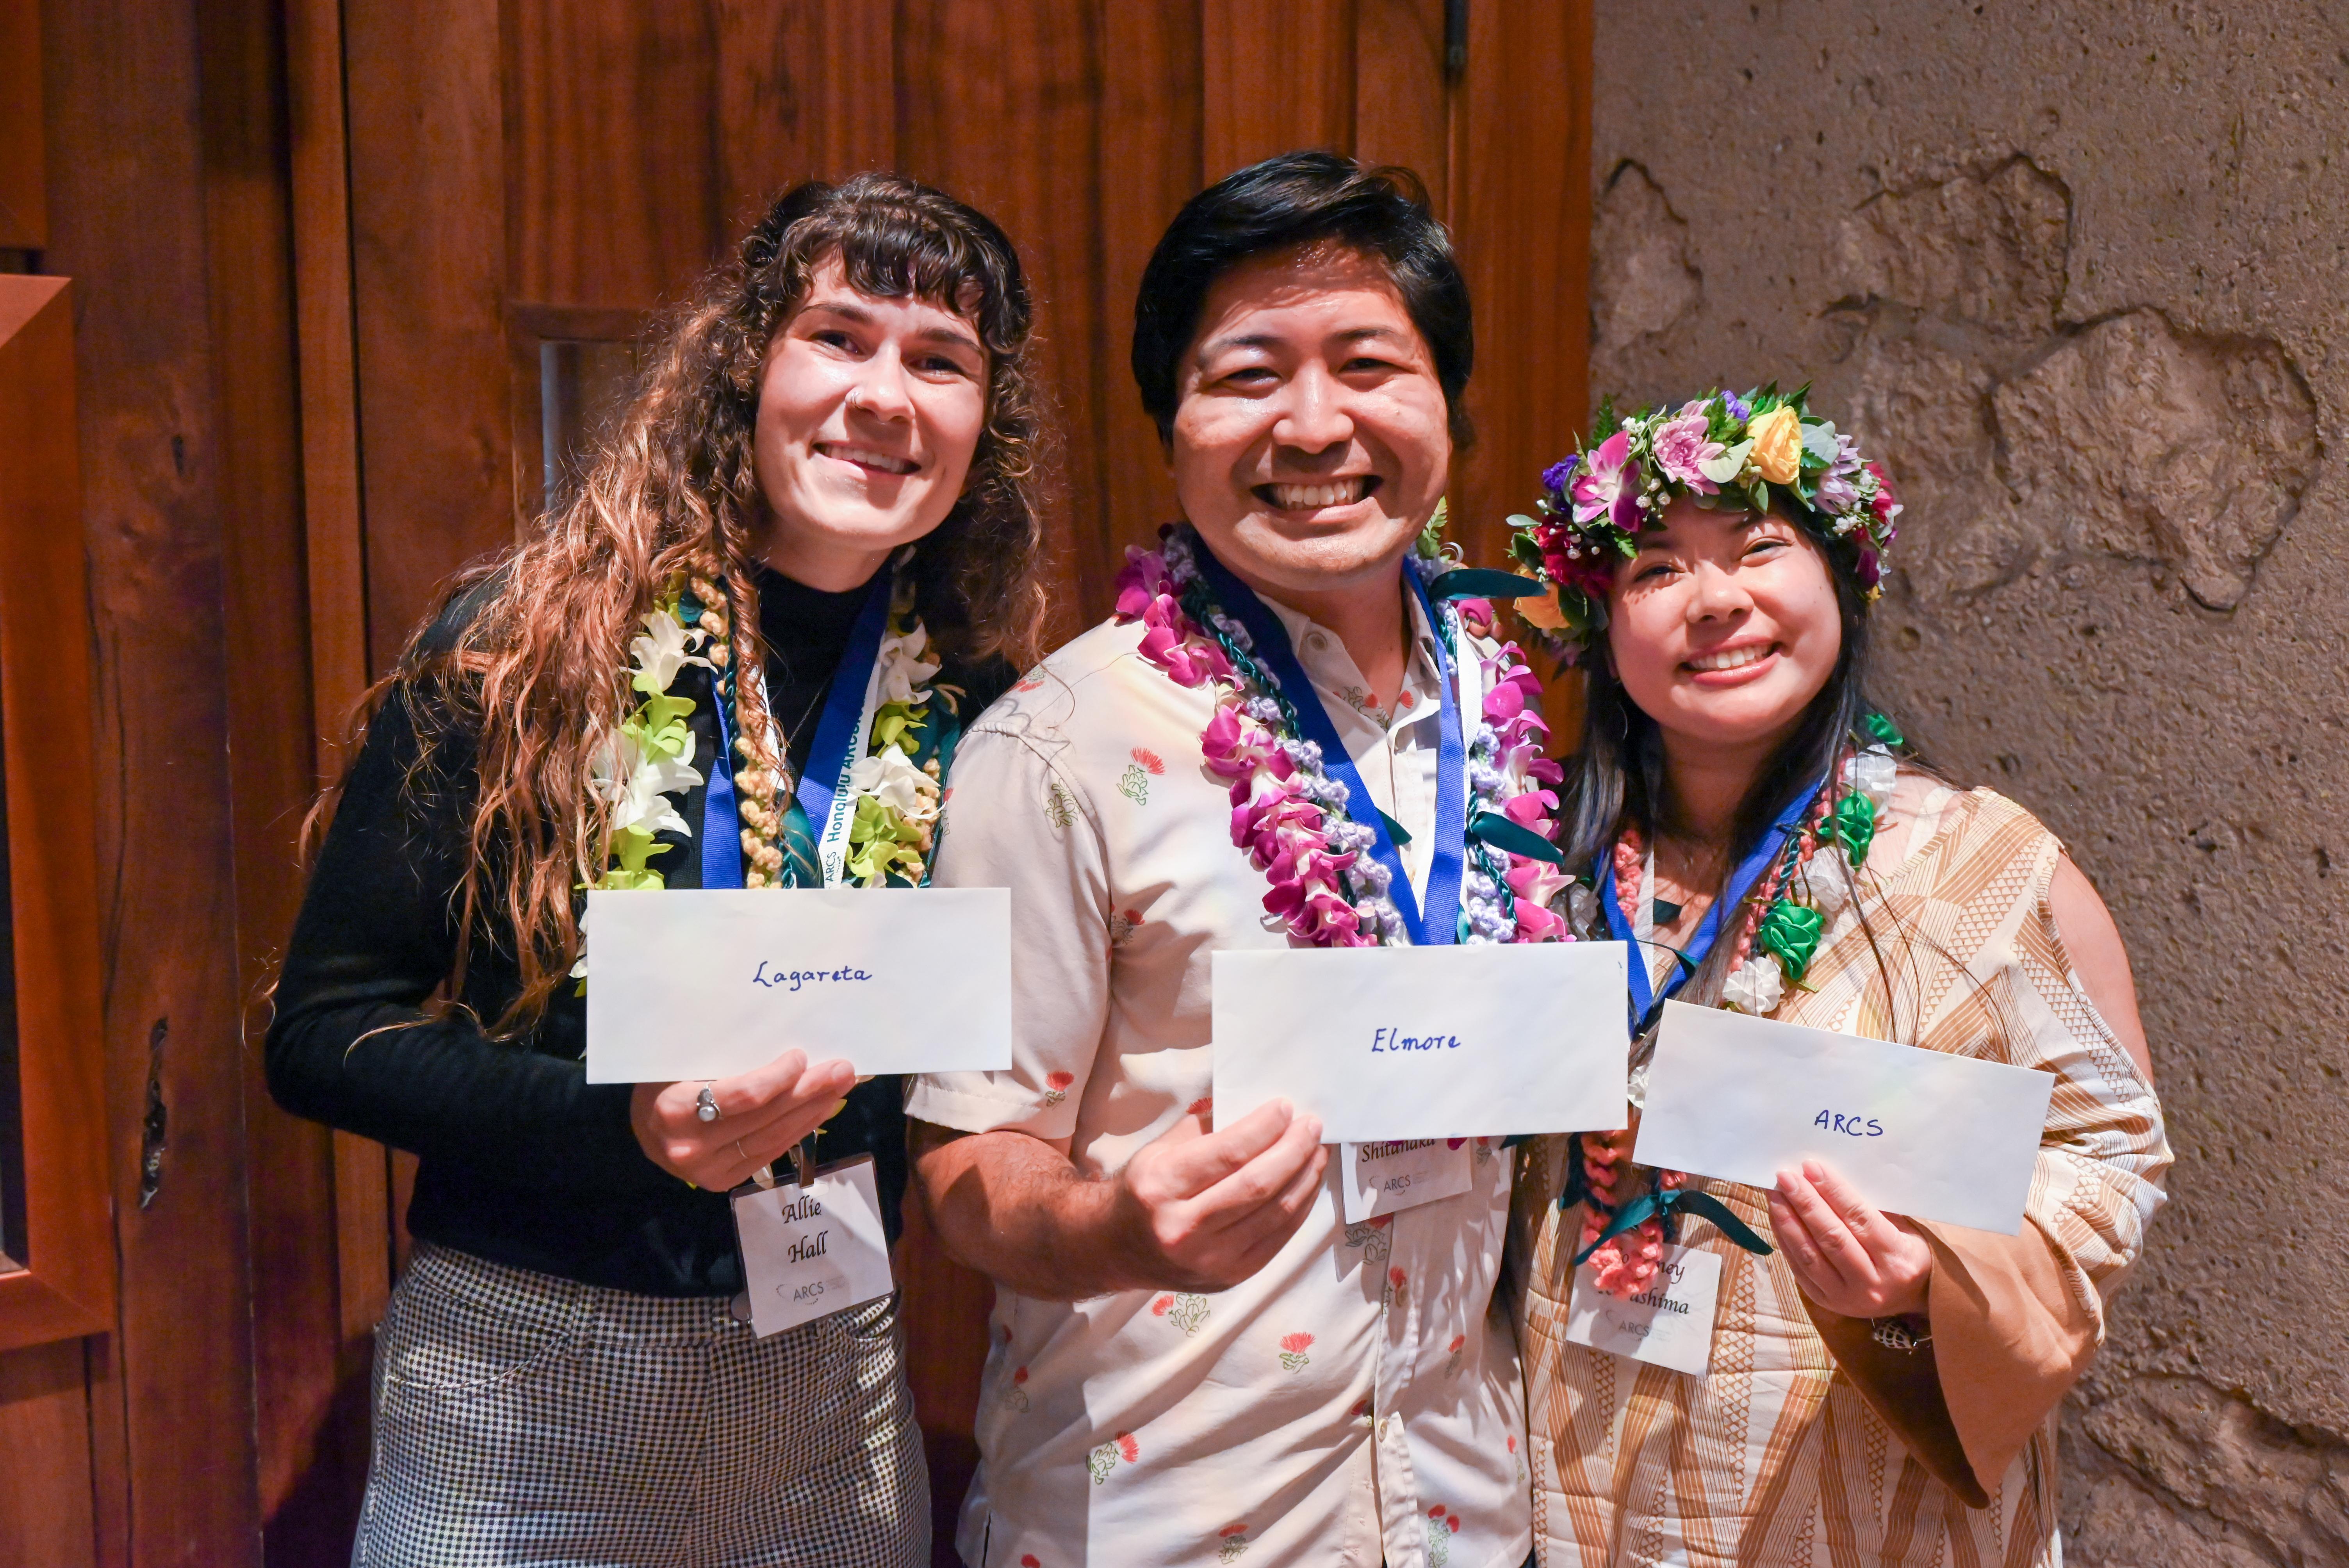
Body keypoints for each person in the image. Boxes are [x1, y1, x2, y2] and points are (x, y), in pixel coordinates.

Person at [265, 174, 1047, 1566]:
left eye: (942, 361)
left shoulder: (979, 699)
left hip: (832, 1394)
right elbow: (322, 1034)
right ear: (749, 365)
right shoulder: (522, 648)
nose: (885, 396)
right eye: (839, 338)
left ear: (985, 423)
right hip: (524, 1390)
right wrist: (616, 1130)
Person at [908, 150, 1566, 1568]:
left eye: (1369, 365)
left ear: (1448, 401)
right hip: (1170, 1524)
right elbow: (965, 1160)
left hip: (1468, 1512)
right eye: (1249, 375)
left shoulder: (1502, 704)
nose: (1315, 426)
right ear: (1173, 426)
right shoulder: (1057, 745)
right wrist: (1113, 1228)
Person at [1502, 387, 2170, 1565]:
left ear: (1844, 584)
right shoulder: (1529, 861)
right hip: (1574, 1480)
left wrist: (1930, 1282)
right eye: (1657, 569)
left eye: (1759, 548)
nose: (1716, 599)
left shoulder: (1988, 867)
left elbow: (2108, 1152)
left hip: (1853, 1503)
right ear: (1599, 626)